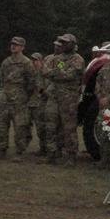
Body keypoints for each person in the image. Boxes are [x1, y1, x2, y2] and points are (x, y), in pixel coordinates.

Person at [46, 33, 85, 166]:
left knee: (69, 128)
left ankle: (71, 155)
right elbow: (54, 73)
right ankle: (52, 153)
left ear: (72, 44)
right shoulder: (59, 58)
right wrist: (57, 73)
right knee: (52, 124)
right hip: (56, 95)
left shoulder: (77, 59)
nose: (62, 45)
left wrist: (56, 73)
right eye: (61, 42)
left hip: (69, 99)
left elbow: (69, 75)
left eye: (65, 42)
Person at [0, 36, 36, 161]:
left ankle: (19, 152)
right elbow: (2, 79)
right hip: (5, 98)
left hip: (19, 99)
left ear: (22, 47)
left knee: (20, 127)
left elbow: (31, 82)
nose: (13, 46)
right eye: (12, 44)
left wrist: (23, 95)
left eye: (17, 45)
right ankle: (1, 150)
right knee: (2, 125)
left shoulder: (26, 63)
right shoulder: (6, 62)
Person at [27, 53, 48, 157]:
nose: (34, 62)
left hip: (40, 104)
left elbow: (47, 88)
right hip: (30, 103)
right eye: (33, 60)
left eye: (36, 60)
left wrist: (43, 91)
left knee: (41, 128)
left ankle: (44, 148)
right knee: (26, 126)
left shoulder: (44, 72)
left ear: (41, 61)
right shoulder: (31, 72)